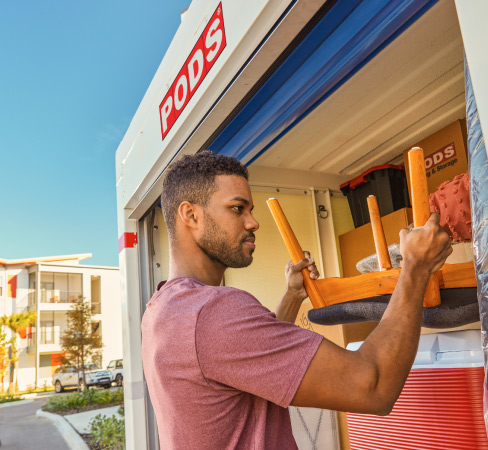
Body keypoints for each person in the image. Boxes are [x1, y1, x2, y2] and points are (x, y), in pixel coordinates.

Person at [141, 151, 452, 450]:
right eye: (238, 208)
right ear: (191, 215)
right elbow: (373, 386)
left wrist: (292, 296)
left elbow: (247, 361)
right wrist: (415, 267)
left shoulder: (162, 308)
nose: (253, 222)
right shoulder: (213, 312)